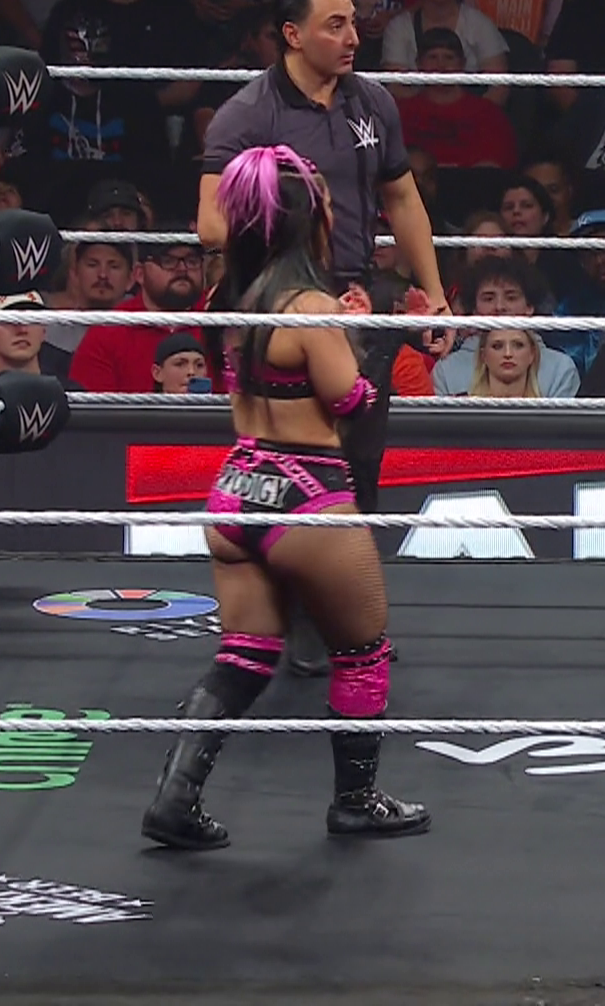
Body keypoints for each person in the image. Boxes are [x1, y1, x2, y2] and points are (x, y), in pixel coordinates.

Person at [142, 146, 432, 851]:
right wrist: (363, 336)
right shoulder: (309, 309)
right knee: (363, 652)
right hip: (308, 495)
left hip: (236, 490)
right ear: (312, 223)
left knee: (244, 652)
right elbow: (353, 403)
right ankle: (356, 801)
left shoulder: (227, 300)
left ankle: (174, 800)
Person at [198, 0, 455, 516]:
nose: (353, 38)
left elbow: (403, 199)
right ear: (292, 34)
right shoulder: (248, 114)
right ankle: (285, 551)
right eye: (334, 26)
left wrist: (434, 293)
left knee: (360, 458)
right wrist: (288, 243)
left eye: (353, 24)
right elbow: (212, 224)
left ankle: (347, 556)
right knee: (286, 451)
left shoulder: (373, 103)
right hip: (278, 304)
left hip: (354, 296)